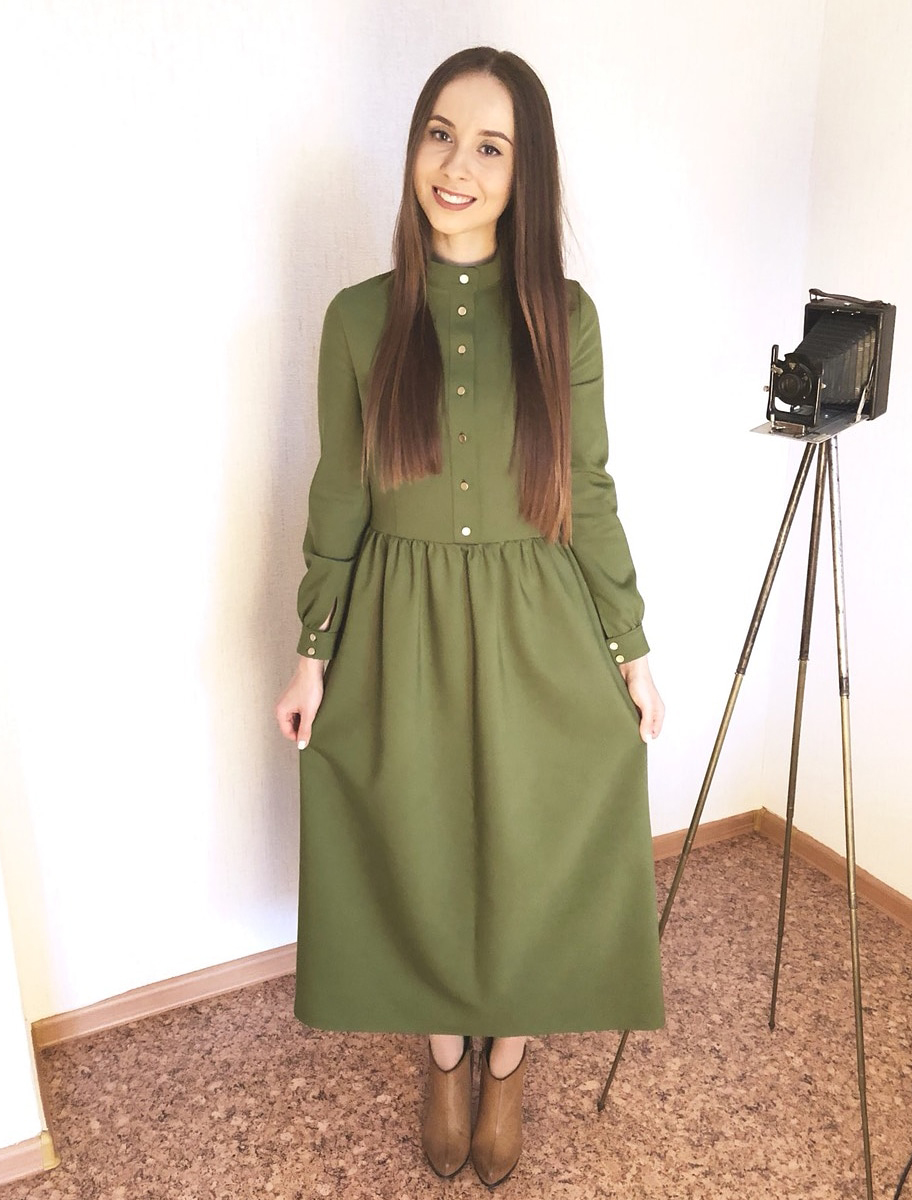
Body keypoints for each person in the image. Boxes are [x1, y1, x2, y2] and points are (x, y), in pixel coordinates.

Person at [275, 46, 665, 1189]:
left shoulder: (564, 317)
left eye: (491, 147)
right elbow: (339, 494)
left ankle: (509, 1063)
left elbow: (586, 489)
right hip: (398, 622)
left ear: (523, 173)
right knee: (419, 843)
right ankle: (445, 1056)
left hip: (536, 620)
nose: (457, 166)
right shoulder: (358, 318)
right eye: (441, 134)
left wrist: (631, 647)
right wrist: (311, 649)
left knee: (534, 848)